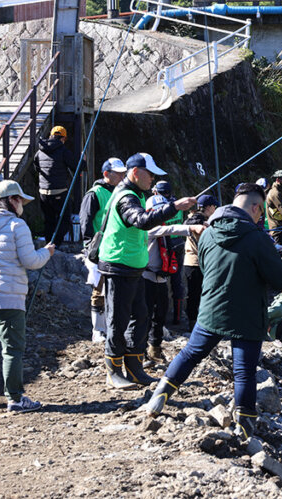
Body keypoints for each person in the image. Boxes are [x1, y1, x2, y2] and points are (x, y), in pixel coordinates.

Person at [146, 183, 282, 440]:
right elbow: (280, 280)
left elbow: (205, 267)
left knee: (191, 353)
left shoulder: (207, 233)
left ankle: (159, 396)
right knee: (244, 369)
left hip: (211, 310)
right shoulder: (258, 238)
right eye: (260, 213)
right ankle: (245, 425)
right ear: (256, 207)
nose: (261, 218)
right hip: (247, 315)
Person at [98, 153, 195, 389]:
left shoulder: (135, 194)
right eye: (149, 173)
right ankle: (114, 371)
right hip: (118, 266)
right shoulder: (125, 196)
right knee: (117, 320)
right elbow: (141, 221)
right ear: (135, 173)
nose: (153, 178)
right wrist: (174, 207)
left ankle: (134, 367)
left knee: (140, 316)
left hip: (133, 267)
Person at [0, 180, 54, 412]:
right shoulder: (18, 226)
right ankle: (15, 398)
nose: (22, 204)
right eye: (21, 200)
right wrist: (47, 252)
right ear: (12, 200)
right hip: (9, 297)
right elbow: (31, 261)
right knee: (12, 349)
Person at [78, 157, 127, 343]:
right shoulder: (94, 193)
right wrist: (90, 247)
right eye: (119, 173)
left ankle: (110, 327)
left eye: (124, 173)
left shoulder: (120, 192)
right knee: (99, 289)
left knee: (114, 290)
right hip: (99, 249)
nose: (122, 176)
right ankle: (97, 329)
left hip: (116, 248)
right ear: (107, 174)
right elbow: (86, 220)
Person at [143, 213, 202, 363]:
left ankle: (155, 349)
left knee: (160, 315)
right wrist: (191, 227)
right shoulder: (147, 229)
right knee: (144, 316)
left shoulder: (162, 228)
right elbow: (169, 229)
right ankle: (140, 352)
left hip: (161, 278)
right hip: (146, 278)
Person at [36, 125, 82, 247]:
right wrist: (83, 161)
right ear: (63, 138)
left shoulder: (40, 150)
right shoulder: (63, 151)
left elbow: (37, 167)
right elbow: (76, 167)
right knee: (65, 220)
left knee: (49, 220)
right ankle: (55, 245)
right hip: (59, 192)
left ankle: (48, 245)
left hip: (43, 192)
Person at [148, 181, 187, 326]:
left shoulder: (161, 206)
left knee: (159, 278)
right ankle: (178, 317)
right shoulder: (178, 204)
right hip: (178, 244)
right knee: (177, 282)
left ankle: (157, 318)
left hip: (163, 245)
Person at [182, 194, 218, 332]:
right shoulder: (196, 219)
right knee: (195, 294)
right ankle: (194, 324)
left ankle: (199, 323)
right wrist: (203, 223)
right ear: (208, 207)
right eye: (213, 206)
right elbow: (188, 224)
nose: (215, 209)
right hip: (194, 263)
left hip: (201, 263)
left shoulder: (199, 219)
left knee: (200, 294)